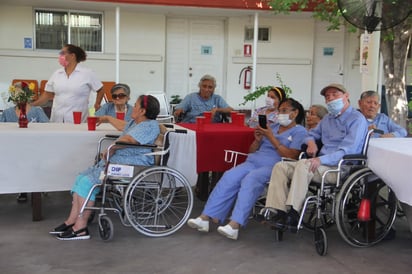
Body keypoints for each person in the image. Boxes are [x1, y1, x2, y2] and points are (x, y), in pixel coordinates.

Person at [187, 98, 308, 240]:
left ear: (295, 113)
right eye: (279, 110)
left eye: (284, 110)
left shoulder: (299, 131)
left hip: (275, 166)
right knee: (229, 176)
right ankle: (205, 217)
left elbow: (292, 156)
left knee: (251, 179)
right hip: (253, 161)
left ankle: (234, 224)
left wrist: (271, 138)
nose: (280, 113)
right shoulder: (273, 127)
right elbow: (251, 151)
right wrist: (257, 140)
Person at [49, 95, 161, 240]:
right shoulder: (136, 122)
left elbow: (129, 139)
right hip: (117, 163)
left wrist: (113, 148)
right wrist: (107, 119)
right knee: (81, 178)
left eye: (136, 105)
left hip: (132, 166)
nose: (133, 107)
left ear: (143, 111)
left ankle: (81, 228)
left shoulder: (149, 125)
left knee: (88, 183)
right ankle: (71, 220)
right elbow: (123, 127)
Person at [260, 83, 368, 232]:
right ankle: (279, 212)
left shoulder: (356, 119)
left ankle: (293, 212)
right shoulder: (328, 119)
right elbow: (311, 134)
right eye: (327, 96)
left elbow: (348, 151)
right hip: (319, 165)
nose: (330, 99)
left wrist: (320, 160)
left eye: (334, 95)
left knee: (304, 164)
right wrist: (311, 143)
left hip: (339, 167)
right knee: (281, 166)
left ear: (346, 96)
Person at [1, 81, 49, 202]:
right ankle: (21, 188)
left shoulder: (37, 111)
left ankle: (34, 187)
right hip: (13, 149)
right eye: (16, 95)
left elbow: (48, 128)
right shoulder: (7, 113)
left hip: (35, 147)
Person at [31, 44, 104, 123]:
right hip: (57, 120)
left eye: (63, 53)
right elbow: (47, 94)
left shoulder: (87, 73)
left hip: (78, 121)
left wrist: (97, 104)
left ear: (72, 55)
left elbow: (100, 89)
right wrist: (32, 105)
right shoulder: (57, 73)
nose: (60, 56)